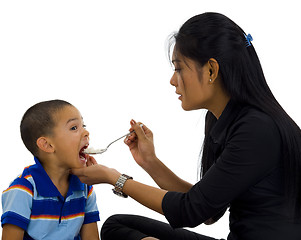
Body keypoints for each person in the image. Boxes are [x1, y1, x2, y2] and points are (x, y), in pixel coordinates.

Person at [71, 12, 301, 240]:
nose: (173, 80)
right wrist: (150, 162)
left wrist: (115, 178)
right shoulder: (223, 121)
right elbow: (209, 210)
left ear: (211, 70)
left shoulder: (257, 129)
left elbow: (190, 210)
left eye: (179, 68)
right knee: (116, 226)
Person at [1, 100, 100, 240]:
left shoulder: (85, 186)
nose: (86, 132)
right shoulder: (23, 189)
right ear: (47, 145)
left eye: (83, 125)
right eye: (74, 128)